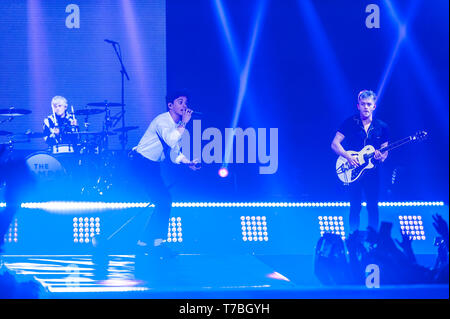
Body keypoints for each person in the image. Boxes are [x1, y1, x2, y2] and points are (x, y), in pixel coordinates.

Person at [129, 90, 200, 254]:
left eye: (185, 103)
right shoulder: (162, 121)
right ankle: (152, 243)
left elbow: (174, 151)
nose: (184, 106)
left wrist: (188, 162)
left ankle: (148, 243)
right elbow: (171, 139)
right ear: (170, 105)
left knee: (164, 201)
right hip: (140, 163)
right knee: (163, 201)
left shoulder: (176, 127)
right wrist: (184, 123)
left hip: (152, 166)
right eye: (180, 102)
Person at [331, 90, 389, 232]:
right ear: (358, 106)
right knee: (355, 206)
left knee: (372, 206)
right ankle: (353, 238)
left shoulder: (382, 127)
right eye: (363, 104)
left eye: (369, 104)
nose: (366, 107)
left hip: (372, 173)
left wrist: (381, 156)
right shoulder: (349, 123)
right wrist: (347, 156)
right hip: (353, 171)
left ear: (374, 106)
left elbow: (385, 151)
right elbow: (334, 144)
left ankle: (374, 239)